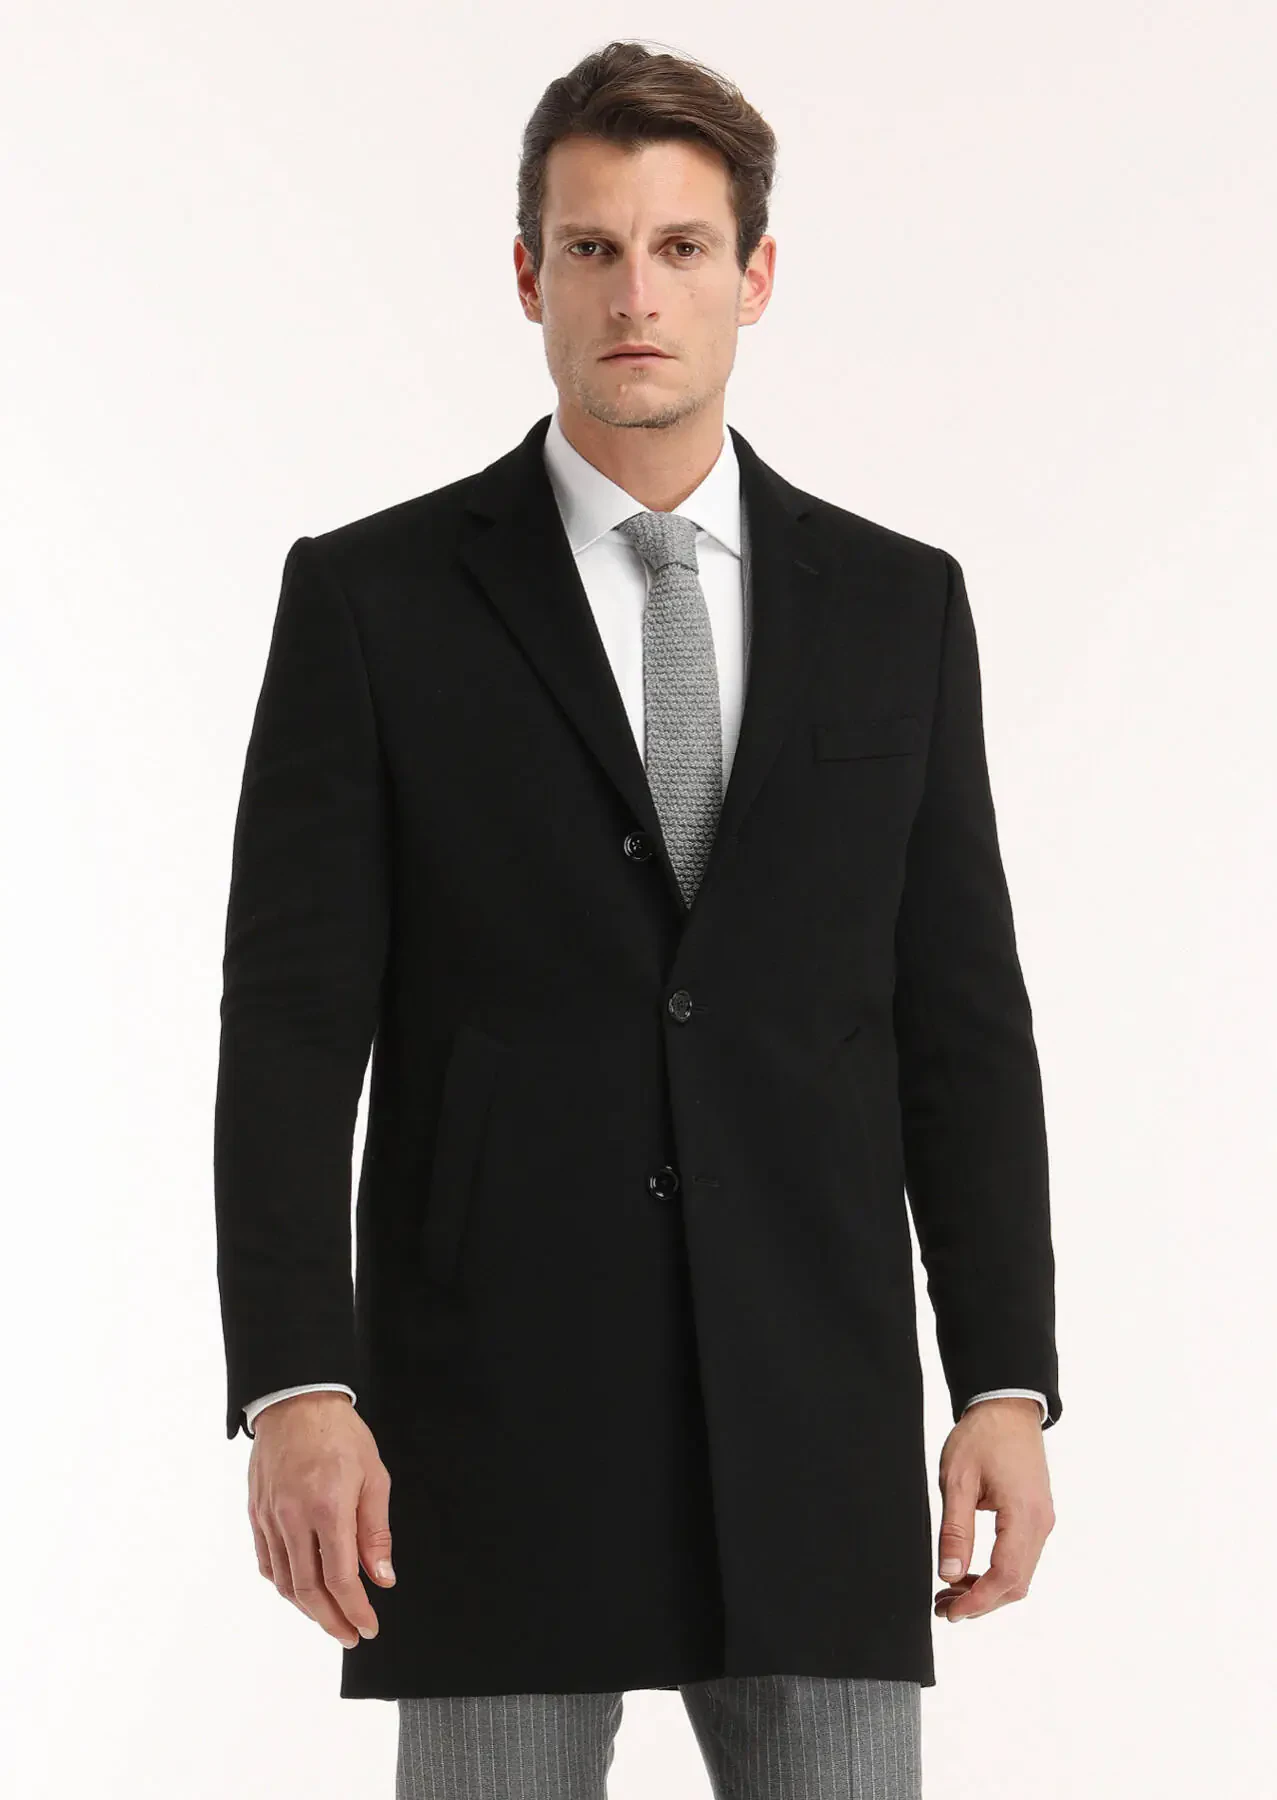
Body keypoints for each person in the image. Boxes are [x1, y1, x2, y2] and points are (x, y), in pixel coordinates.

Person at [214, 38, 1061, 1799]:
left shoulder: (898, 606)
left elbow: (960, 1021)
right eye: (592, 248)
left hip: (814, 1407)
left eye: (681, 247)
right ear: (529, 275)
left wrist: (1003, 1379)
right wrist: (298, 1386)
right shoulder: (374, 601)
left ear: (757, 274)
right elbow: (289, 1031)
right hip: (490, 1411)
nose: (636, 295)